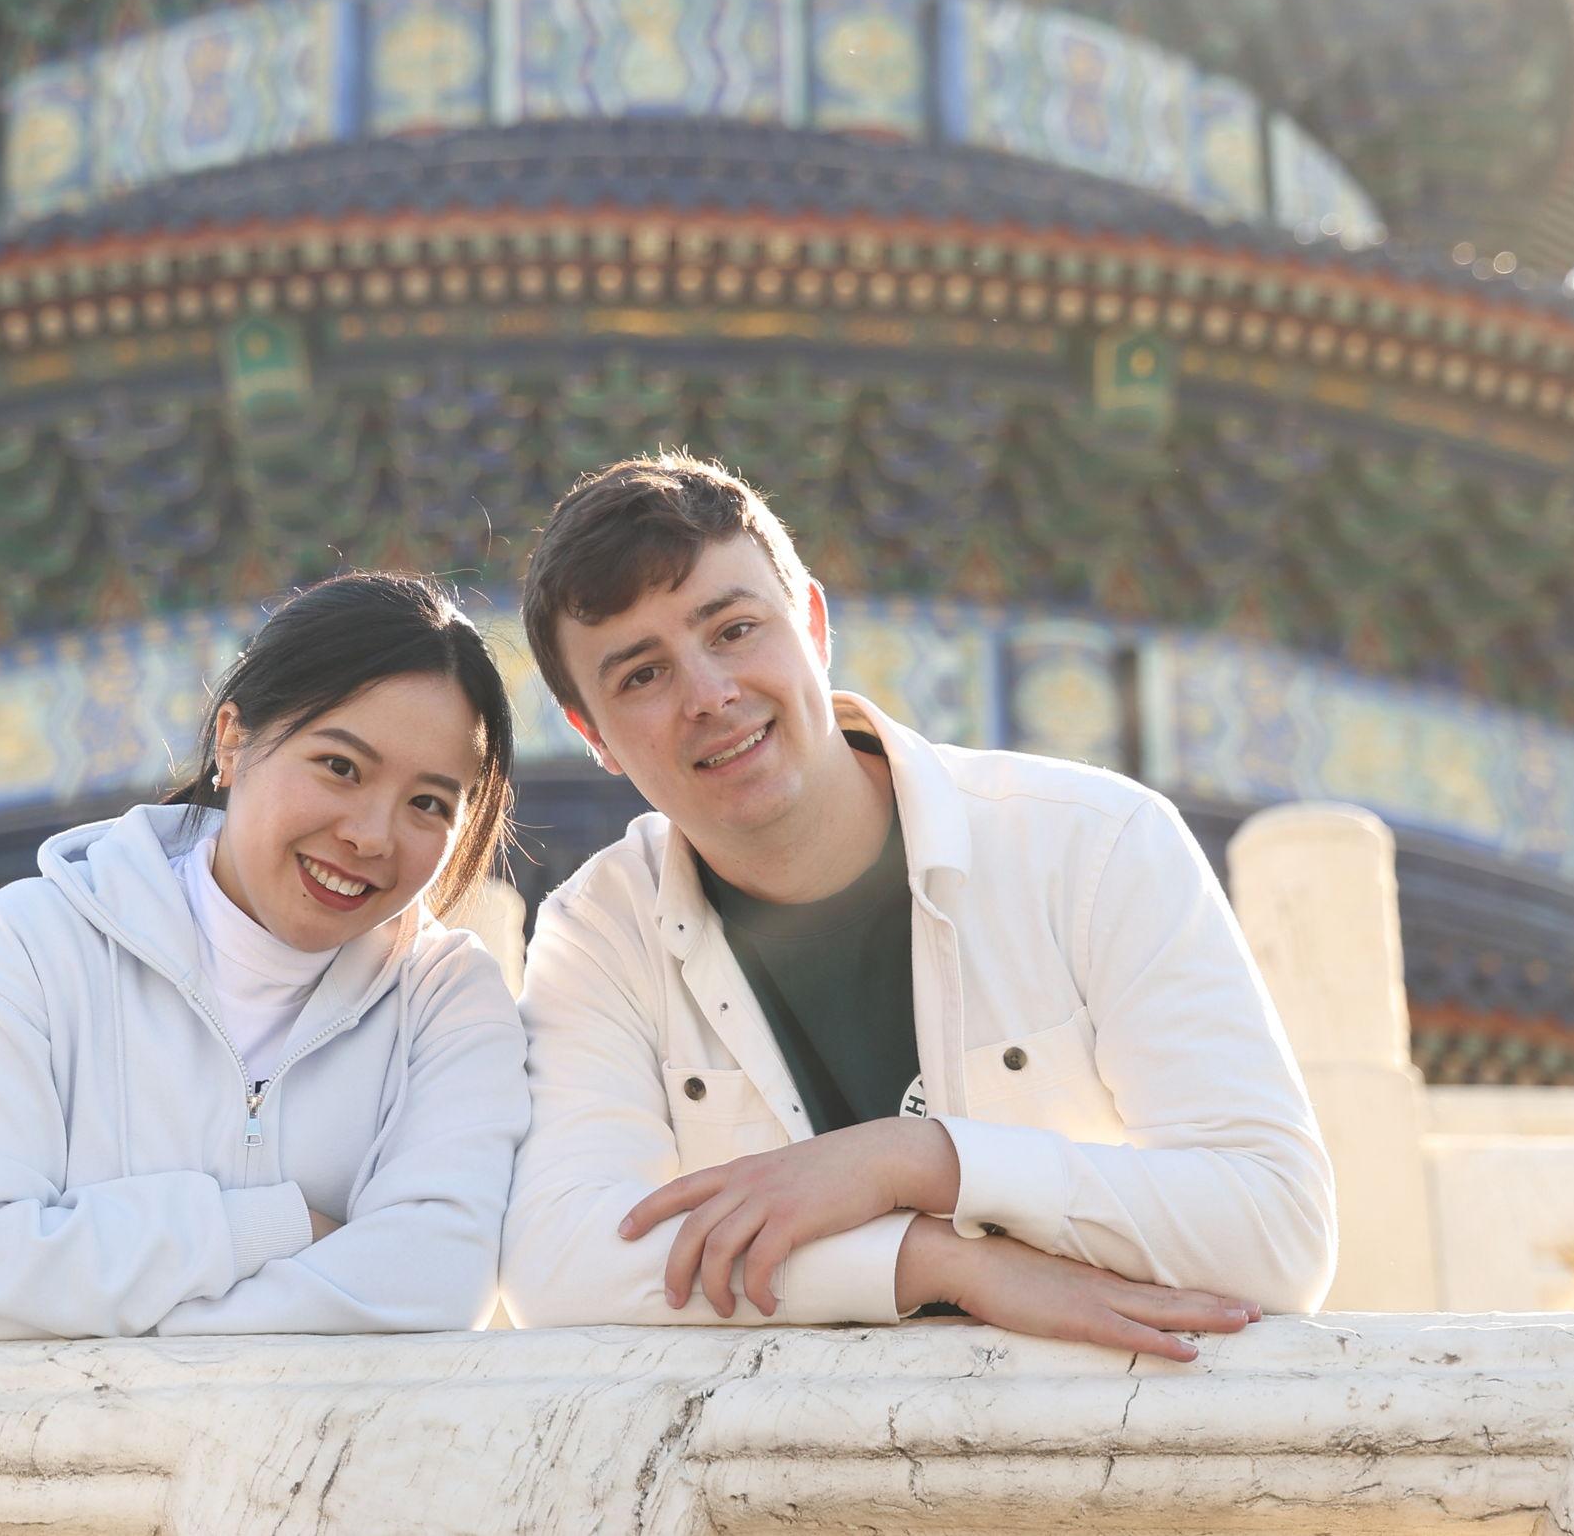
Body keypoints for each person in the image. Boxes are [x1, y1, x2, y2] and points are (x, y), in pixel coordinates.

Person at [500, 453, 1335, 1357]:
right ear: (595, 737)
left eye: (735, 629)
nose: (709, 695)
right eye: (640, 677)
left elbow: (1277, 1230)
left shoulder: (1093, 844)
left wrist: (916, 1161)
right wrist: (936, 1260)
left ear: (814, 625)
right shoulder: (600, 935)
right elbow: (562, 1266)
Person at [0, 571, 528, 1340]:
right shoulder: (27, 948)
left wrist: (117, 1314)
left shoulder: (449, 1002)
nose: (371, 834)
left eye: (428, 803)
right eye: (340, 765)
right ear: (233, 738)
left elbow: (438, 1284)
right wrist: (280, 1226)